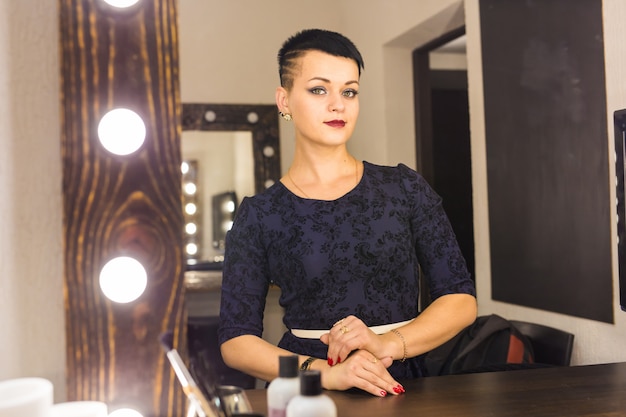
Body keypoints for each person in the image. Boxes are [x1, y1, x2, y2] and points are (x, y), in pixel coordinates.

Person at [218, 28, 476, 397]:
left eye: (349, 91)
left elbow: (460, 299)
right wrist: (327, 373)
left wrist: (387, 344)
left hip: (403, 379)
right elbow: (236, 341)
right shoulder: (260, 215)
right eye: (319, 89)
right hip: (307, 390)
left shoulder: (403, 188)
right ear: (284, 99)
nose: (337, 104)